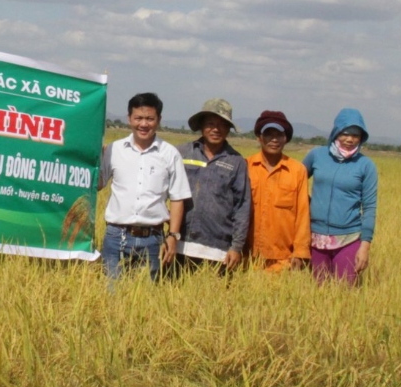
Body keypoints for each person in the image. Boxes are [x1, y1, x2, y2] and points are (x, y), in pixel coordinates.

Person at [98, 92, 192, 280]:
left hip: (153, 239)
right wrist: (93, 155)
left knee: (147, 298)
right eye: (138, 118)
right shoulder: (114, 150)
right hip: (115, 236)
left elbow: (177, 197)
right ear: (129, 119)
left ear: (158, 120)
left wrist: (173, 235)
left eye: (149, 118)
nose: (143, 124)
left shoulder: (169, 154)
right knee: (110, 294)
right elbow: (98, 184)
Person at [302, 108, 378, 284]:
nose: (350, 139)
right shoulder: (317, 155)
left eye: (356, 135)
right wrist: (307, 203)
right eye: (345, 133)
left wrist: (365, 246)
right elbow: (295, 183)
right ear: (336, 131)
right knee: (317, 292)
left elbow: (370, 207)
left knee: (344, 295)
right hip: (315, 238)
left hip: (348, 238)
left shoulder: (366, 166)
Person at [176, 98, 250, 271]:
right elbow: (161, 191)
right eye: (210, 124)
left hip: (218, 250)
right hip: (179, 245)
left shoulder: (237, 161)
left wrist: (236, 246)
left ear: (228, 129)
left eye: (222, 125)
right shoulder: (181, 153)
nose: (216, 129)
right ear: (201, 125)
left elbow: (242, 206)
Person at [245, 110, 310, 272]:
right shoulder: (245, 166)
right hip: (246, 258)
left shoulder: (297, 170)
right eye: (268, 134)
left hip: (283, 260)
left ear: (285, 138)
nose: (274, 140)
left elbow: (303, 214)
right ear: (259, 137)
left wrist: (301, 251)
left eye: (279, 135)